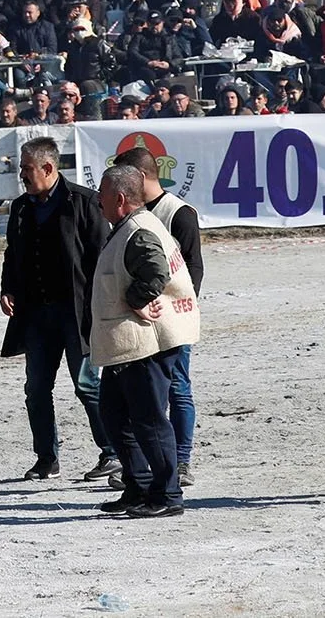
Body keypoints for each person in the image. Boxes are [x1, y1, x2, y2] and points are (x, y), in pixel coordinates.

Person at [0, 137, 115, 482]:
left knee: (87, 385)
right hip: (36, 315)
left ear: (48, 168)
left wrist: (100, 306)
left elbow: (100, 256)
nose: (22, 174)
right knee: (35, 388)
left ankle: (111, 452)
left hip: (76, 313)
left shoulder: (83, 202)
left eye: (26, 168)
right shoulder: (21, 208)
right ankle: (46, 458)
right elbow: (11, 253)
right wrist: (7, 289)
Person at [88, 164, 198, 519]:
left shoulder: (138, 230)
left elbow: (155, 270)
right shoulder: (128, 227)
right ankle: (138, 486)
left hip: (145, 346)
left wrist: (137, 299)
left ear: (119, 199)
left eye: (102, 193)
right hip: (128, 345)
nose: (97, 199)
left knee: (149, 420)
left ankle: (167, 493)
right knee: (115, 417)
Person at [113, 144, 202, 488]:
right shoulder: (129, 213)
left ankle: (180, 460)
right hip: (138, 316)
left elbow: (192, 267)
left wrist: (174, 308)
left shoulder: (178, 212)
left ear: (139, 177)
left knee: (177, 387)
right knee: (144, 392)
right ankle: (150, 461)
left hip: (171, 316)